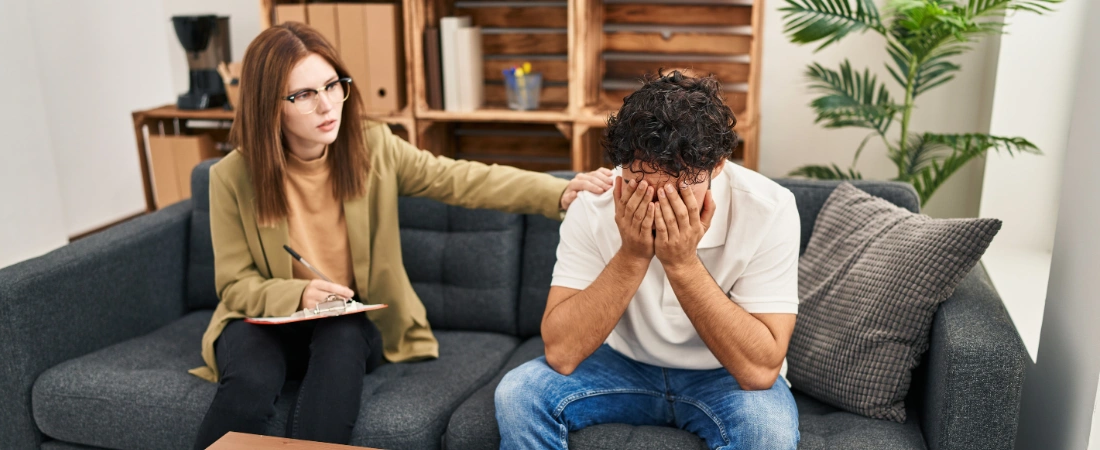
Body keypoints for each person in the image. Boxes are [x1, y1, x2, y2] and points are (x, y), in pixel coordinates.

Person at [188, 22, 613, 449]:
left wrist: (556, 190)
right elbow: (234, 283)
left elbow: (459, 178)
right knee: (250, 380)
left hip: (342, 325)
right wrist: (296, 297)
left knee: (344, 331)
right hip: (265, 321)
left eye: (332, 85)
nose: (327, 106)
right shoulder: (231, 177)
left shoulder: (372, 147)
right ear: (269, 106)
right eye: (304, 95)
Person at [495, 70, 802, 450]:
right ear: (622, 164)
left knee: (767, 432)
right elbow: (560, 353)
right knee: (518, 393)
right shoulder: (594, 204)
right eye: (642, 183)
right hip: (622, 364)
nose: (659, 204)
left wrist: (682, 263)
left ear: (717, 166)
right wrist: (632, 253)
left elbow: (760, 370)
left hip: (722, 376)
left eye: (679, 188)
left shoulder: (769, 208)